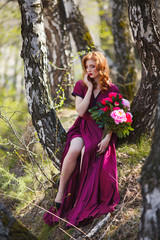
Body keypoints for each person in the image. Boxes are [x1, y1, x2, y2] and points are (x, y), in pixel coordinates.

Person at [43, 51, 120, 227]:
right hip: (82, 126)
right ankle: (60, 193)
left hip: (100, 130)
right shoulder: (81, 85)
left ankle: (81, 198)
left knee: (89, 150)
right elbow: (81, 111)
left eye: (93, 66)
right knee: (74, 149)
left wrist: (108, 137)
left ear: (101, 66)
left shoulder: (112, 89)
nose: (89, 70)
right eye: (87, 66)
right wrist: (90, 88)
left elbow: (115, 117)